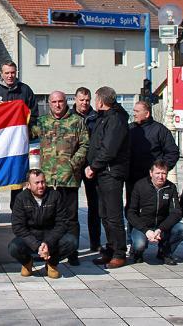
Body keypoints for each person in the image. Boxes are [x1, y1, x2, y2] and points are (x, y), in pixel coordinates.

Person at [32, 91, 89, 266]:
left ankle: (73, 252)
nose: (58, 105)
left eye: (61, 101)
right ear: (49, 103)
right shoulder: (42, 122)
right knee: (50, 217)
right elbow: (24, 133)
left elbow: (85, 144)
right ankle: (49, 248)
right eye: (54, 102)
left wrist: (72, 165)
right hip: (47, 180)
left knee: (71, 218)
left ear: (66, 102)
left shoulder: (77, 122)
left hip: (68, 179)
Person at [84, 86, 129, 269]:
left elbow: (109, 149)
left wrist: (94, 166)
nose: (95, 103)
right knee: (104, 214)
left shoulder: (116, 119)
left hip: (111, 173)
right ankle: (110, 249)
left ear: (101, 101)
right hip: (101, 174)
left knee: (113, 216)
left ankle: (119, 253)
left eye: (96, 99)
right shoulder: (104, 118)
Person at [0, 60, 37, 210]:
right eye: (6, 73)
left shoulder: (25, 91)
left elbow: (34, 116)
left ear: (16, 72)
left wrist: (27, 130)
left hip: (17, 145)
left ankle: (17, 214)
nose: (10, 76)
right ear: (1, 74)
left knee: (17, 179)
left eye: (13, 72)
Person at [9, 169, 77, 279]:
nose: (41, 186)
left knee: (72, 242)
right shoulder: (21, 198)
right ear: (28, 185)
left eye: (43, 182)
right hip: (31, 236)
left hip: (51, 235)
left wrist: (47, 243)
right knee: (14, 247)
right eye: (37, 183)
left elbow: (62, 223)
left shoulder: (55, 196)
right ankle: (27, 262)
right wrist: (36, 245)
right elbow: (18, 227)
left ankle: (52, 263)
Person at [126, 160, 183, 265]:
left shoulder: (171, 187)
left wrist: (161, 228)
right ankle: (137, 253)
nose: (160, 176)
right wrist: (146, 230)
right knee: (140, 244)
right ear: (151, 173)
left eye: (163, 173)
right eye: (157, 173)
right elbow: (131, 213)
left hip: (162, 226)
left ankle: (164, 252)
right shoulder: (140, 186)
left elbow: (176, 212)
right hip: (143, 226)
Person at [128, 100, 179, 199]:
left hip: (151, 179)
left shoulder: (160, 130)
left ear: (147, 114)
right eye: (134, 111)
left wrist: (161, 170)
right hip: (132, 178)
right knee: (132, 207)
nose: (134, 114)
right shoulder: (130, 129)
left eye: (137, 111)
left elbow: (172, 152)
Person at [73, 87, 101, 252]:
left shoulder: (96, 118)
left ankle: (95, 241)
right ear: (75, 99)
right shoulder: (68, 117)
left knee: (94, 205)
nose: (84, 103)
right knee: (71, 207)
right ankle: (73, 244)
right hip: (74, 165)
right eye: (81, 100)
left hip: (91, 166)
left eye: (87, 100)